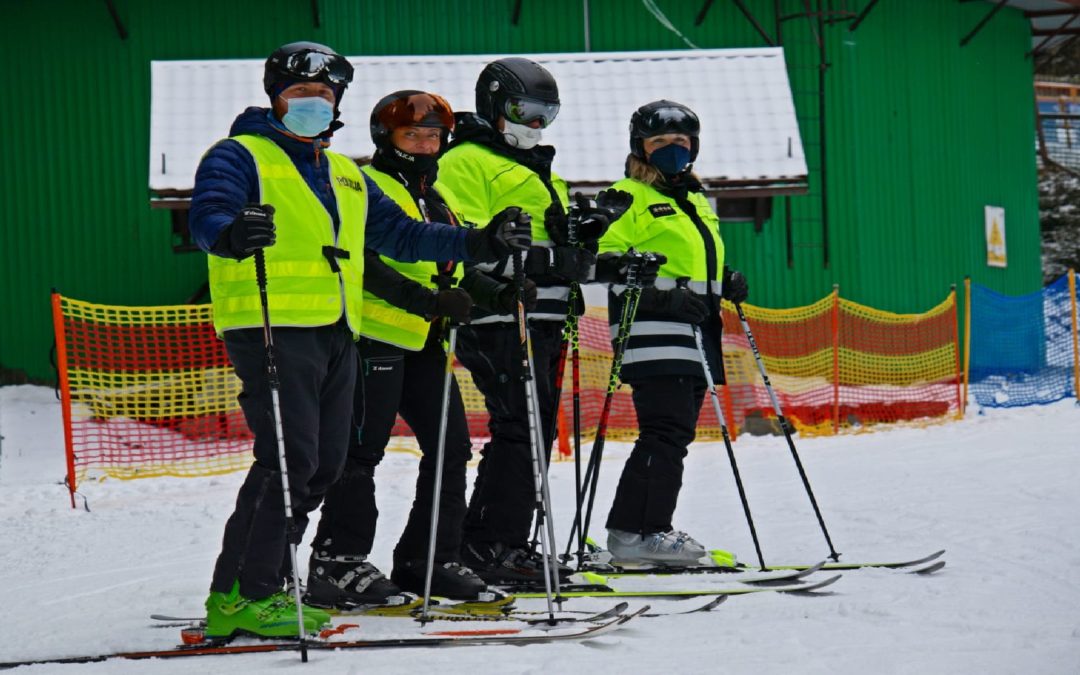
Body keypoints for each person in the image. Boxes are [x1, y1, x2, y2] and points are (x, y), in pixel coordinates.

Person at [189, 42, 530, 638]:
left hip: (335, 329)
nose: (312, 106)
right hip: (271, 325)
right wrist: (231, 232)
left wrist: (478, 242)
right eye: (300, 96)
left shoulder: (342, 171)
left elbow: (402, 235)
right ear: (275, 98)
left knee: (321, 466)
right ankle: (243, 593)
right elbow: (208, 217)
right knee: (290, 461)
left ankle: (259, 582)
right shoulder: (238, 155)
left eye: (323, 96)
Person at [307, 91, 534, 608]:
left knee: (452, 448)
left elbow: (448, 264)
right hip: (374, 337)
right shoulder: (369, 185)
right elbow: (365, 261)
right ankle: (336, 561)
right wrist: (426, 301)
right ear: (387, 138)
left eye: (434, 136)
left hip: (424, 341)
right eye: (414, 135)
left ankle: (429, 556)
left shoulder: (435, 195)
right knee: (360, 452)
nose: (426, 144)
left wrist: (497, 292)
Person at [437, 57, 621, 585]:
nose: (535, 126)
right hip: (498, 312)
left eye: (547, 115)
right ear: (494, 105)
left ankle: (501, 539)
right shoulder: (466, 161)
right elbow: (467, 241)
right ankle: (493, 544)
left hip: (544, 315)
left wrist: (585, 236)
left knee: (533, 428)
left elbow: (558, 250)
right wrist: (551, 262)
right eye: (524, 112)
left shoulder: (541, 170)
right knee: (521, 426)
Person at [595, 100, 749, 567]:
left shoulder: (695, 200)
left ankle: (641, 529)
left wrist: (724, 279)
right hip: (654, 326)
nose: (672, 151)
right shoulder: (626, 196)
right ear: (640, 147)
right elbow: (603, 262)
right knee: (665, 431)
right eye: (660, 143)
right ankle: (637, 532)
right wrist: (666, 299)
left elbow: (692, 264)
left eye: (681, 143)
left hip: (697, 328)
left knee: (672, 433)